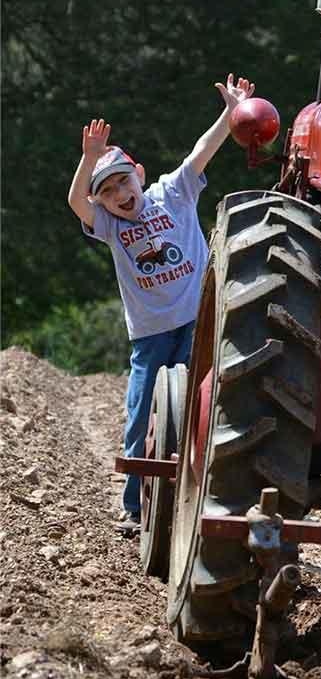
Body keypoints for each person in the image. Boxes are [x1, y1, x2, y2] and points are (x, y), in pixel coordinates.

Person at [67, 74, 256, 533]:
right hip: (149, 337)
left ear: (140, 176)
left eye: (122, 182)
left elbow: (202, 151)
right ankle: (134, 506)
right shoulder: (110, 228)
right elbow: (76, 201)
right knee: (141, 419)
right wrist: (89, 158)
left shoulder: (172, 193)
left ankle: (202, 502)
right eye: (107, 192)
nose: (119, 196)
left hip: (196, 325)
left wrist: (231, 114)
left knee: (202, 412)